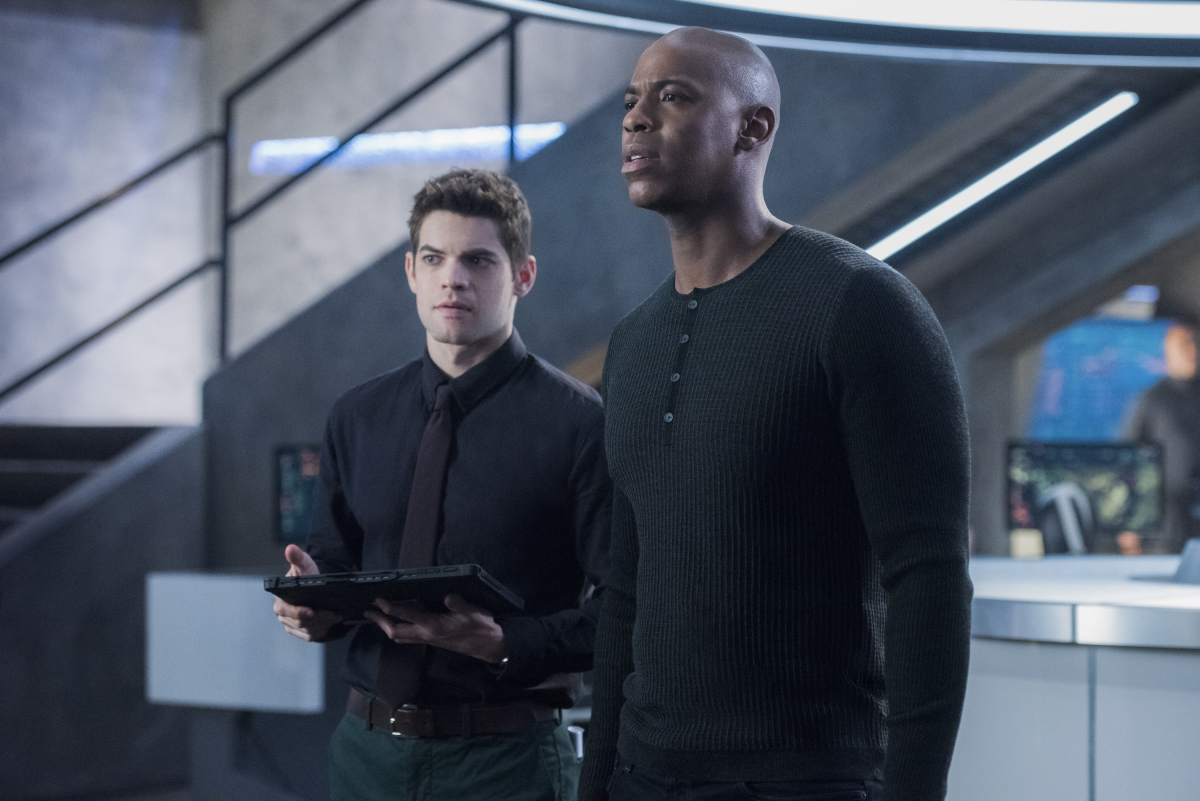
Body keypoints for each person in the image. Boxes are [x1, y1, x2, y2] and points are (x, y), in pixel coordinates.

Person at [578, 28, 972, 801]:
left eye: (673, 97)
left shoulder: (859, 304)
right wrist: (597, 784)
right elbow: (627, 589)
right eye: (630, 102)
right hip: (642, 777)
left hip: (807, 779)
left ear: (751, 128)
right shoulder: (632, 342)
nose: (636, 118)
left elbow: (928, 576)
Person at [272, 169, 611, 801]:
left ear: (523, 276)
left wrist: (505, 642)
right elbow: (336, 564)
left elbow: (628, 608)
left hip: (505, 761)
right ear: (411, 272)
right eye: (434, 258)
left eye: (478, 260)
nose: (452, 278)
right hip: (366, 753)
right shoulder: (357, 415)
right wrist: (310, 604)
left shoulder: (580, 424)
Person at [1122, 321, 1200, 553]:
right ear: (1168, 352)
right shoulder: (1151, 399)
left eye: (1195, 344)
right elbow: (1127, 459)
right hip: (1165, 523)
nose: (1192, 351)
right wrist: (1128, 522)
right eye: (1184, 345)